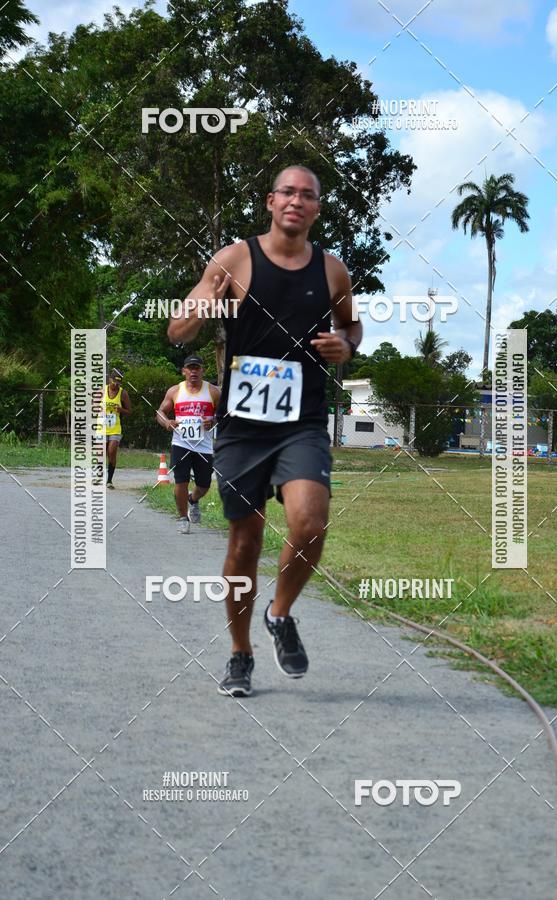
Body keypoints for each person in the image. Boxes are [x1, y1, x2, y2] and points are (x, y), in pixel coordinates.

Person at [168, 165, 362, 696]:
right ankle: (239, 652)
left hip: (301, 422)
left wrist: (345, 346)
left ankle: (279, 613)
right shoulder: (234, 260)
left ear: (317, 209)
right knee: (244, 542)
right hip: (243, 429)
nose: (296, 201)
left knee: (310, 522)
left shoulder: (332, 271)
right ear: (271, 202)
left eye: (308, 195)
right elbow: (177, 326)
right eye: (287, 192)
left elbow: (352, 324)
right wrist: (200, 311)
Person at [156, 355, 220, 534]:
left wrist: (214, 420)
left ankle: (193, 500)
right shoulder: (175, 391)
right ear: (184, 371)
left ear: (202, 370)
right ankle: (183, 517)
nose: (193, 371)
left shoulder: (213, 391)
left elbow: (225, 414)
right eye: (190, 368)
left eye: (197, 368)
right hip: (181, 443)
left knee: (204, 484)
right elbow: (160, 412)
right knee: (181, 481)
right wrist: (167, 422)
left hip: (204, 445)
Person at [104, 369, 131, 489]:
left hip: (115, 427)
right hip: (102, 426)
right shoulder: (102, 390)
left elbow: (129, 411)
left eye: (118, 383)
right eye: (114, 382)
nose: (116, 385)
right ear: (110, 379)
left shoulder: (123, 393)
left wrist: (121, 410)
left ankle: (109, 480)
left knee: (111, 451)